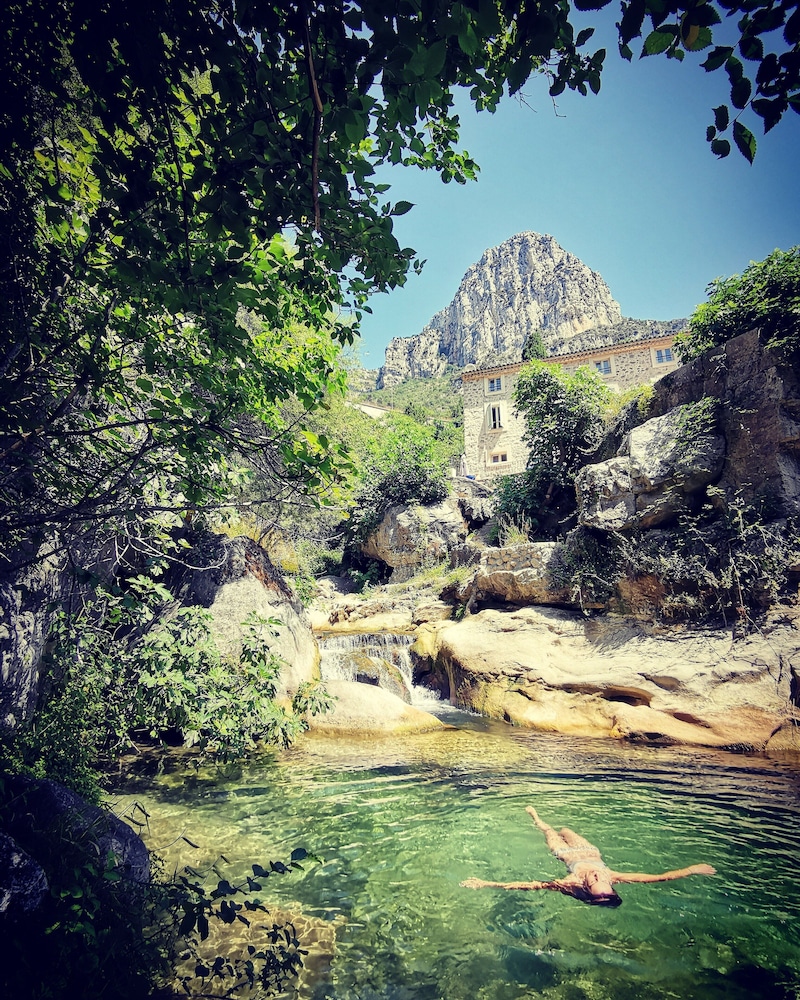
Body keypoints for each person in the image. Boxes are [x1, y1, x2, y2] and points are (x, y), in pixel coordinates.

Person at [460, 807, 716, 907]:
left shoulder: (571, 882)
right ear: (611, 884)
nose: (596, 875)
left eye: (593, 881)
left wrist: (486, 883)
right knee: (566, 829)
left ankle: (535, 817)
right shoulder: (613, 876)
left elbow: (532, 885)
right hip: (589, 849)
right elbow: (660, 877)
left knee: (550, 831)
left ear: (586, 887)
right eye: (601, 879)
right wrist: (691, 869)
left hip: (564, 854)